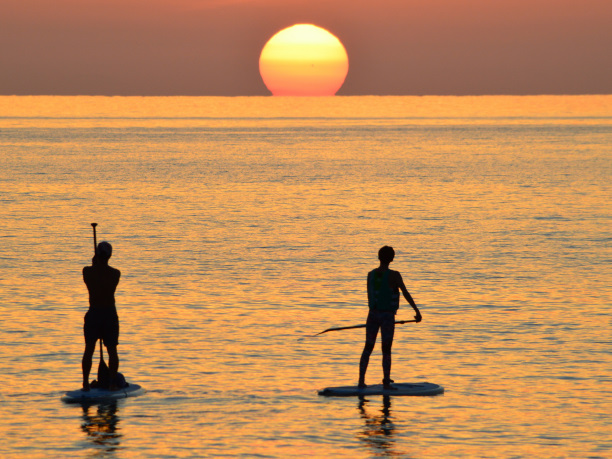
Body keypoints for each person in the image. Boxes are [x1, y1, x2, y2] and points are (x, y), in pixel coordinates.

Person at [358, 246, 422, 389]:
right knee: (386, 349)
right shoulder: (395, 275)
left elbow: (371, 296)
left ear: (379, 257)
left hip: (372, 315)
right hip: (387, 316)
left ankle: (361, 381)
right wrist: (417, 311)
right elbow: (405, 293)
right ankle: (386, 382)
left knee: (368, 347)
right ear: (392, 259)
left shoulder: (370, 274)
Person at [82, 241, 121, 391]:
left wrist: (94, 264)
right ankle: (111, 382)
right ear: (110, 256)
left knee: (89, 349)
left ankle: (85, 383)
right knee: (112, 350)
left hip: (94, 314)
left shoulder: (87, 271)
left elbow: (91, 274)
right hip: (109, 314)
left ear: (96, 255)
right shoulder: (115, 273)